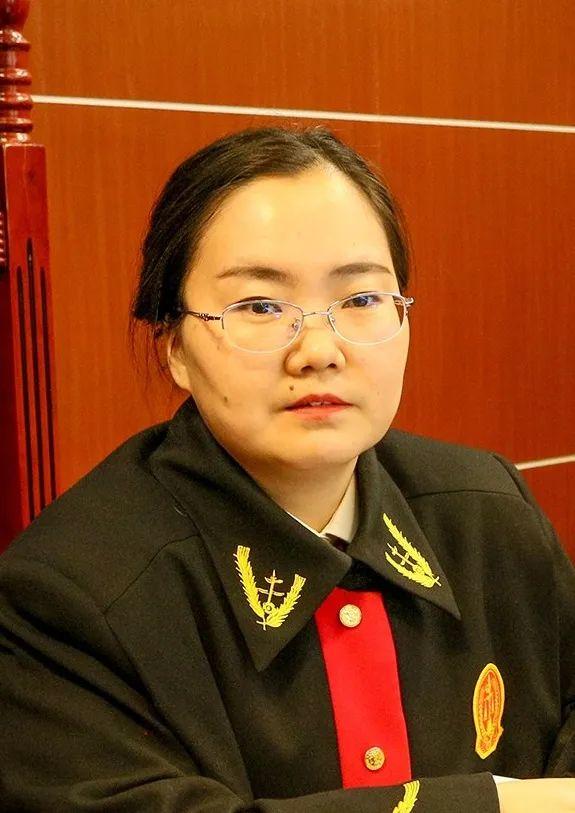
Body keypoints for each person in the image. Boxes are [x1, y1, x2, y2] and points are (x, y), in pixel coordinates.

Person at [0, 126, 574, 813]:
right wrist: (502, 804)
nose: (319, 350)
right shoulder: (68, 595)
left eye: (361, 299)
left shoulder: (488, 510)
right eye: (261, 307)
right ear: (174, 344)